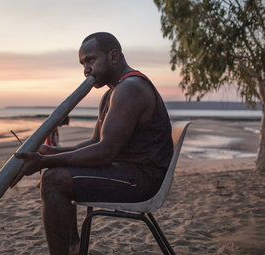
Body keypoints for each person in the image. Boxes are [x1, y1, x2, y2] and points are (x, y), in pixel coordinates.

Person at [11, 32, 173, 255]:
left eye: (90, 60)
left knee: (53, 180)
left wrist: (44, 162)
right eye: (83, 64)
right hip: (129, 172)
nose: (86, 69)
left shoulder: (131, 88)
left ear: (113, 57)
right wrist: (52, 152)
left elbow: (104, 153)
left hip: (143, 181)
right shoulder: (111, 94)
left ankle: (70, 250)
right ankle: (74, 248)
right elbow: (95, 143)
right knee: (54, 171)